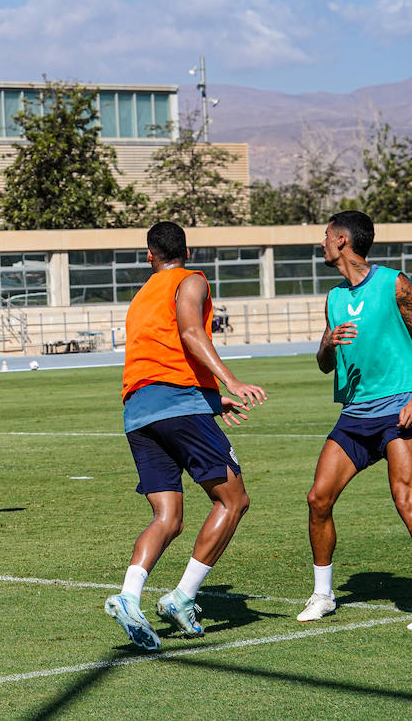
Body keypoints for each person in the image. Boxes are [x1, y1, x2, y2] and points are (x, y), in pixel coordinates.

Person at [104, 222, 267, 651]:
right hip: (179, 407)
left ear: (148, 256)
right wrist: (230, 382)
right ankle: (181, 597)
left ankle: (128, 595)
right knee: (234, 500)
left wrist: (211, 402)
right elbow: (190, 333)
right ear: (188, 252)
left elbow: (158, 358)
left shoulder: (142, 295)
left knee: (167, 518)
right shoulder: (191, 280)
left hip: (138, 413)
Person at [297, 211, 412, 630]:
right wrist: (327, 343)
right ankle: (323, 595)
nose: (322, 243)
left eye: (326, 236)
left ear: (343, 241)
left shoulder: (394, 283)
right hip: (353, 416)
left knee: (407, 503)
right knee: (318, 499)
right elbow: (324, 365)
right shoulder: (333, 297)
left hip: (396, 413)